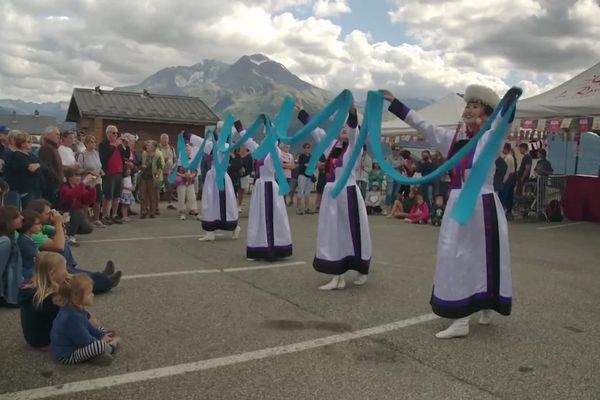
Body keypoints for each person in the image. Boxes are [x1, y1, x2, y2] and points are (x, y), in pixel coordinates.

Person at [383, 84, 513, 339]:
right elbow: (424, 125)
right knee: (455, 256)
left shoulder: (490, 138)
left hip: (482, 205)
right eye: (467, 105)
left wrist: (509, 102)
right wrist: (395, 102)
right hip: (458, 205)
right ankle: (462, 315)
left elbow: (502, 124)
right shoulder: (453, 140)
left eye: (474, 106)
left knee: (483, 256)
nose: (467, 109)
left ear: (486, 113)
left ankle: (485, 304)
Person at [296, 100, 371, 290]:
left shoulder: (356, 147)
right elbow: (316, 131)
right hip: (333, 195)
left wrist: (352, 112)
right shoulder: (332, 146)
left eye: (348, 126)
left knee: (354, 232)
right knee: (334, 233)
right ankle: (338, 275)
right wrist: (303, 112)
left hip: (349, 194)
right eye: (343, 127)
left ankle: (361, 268)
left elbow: (354, 133)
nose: (345, 129)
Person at [26, 199, 121, 293]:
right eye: (48, 213)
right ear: (37, 215)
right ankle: (105, 282)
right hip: (38, 271)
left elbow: (61, 233)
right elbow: (58, 246)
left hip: (51, 265)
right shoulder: (33, 233)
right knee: (71, 275)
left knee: (72, 269)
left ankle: (102, 276)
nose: (51, 215)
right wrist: (58, 223)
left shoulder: (41, 226)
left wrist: (57, 222)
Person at [235, 120, 292, 261]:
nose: (266, 137)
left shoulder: (276, 151)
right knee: (259, 216)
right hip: (260, 186)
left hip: (270, 186)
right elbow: (248, 141)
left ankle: (274, 247)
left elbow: (275, 162)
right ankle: (258, 247)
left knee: (272, 216)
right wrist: (239, 126)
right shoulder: (260, 149)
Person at [50, 274, 120, 365]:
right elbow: (84, 340)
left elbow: (88, 327)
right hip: (68, 354)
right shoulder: (71, 317)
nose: (93, 295)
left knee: (98, 329)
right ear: (76, 298)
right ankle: (111, 347)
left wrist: (101, 335)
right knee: (99, 346)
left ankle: (95, 356)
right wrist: (101, 341)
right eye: (89, 293)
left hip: (76, 345)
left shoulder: (76, 309)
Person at [188, 125, 241, 241]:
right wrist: (189, 136)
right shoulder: (214, 145)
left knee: (225, 203)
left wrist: (190, 136)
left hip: (221, 176)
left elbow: (211, 146)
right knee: (210, 202)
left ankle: (234, 227)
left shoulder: (226, 146)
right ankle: (210, 231)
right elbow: (203, 143)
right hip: (212, 176)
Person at [18, 252, 69, 350]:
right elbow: (66, 318)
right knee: (78, 321)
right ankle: (93, 349)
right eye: (64, 269)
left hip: (34, 338)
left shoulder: (32, 288)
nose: (66, 272)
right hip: (45, 340)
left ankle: (98, 338)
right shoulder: (46, 298)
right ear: (52, 274)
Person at [4, 131, 43, 208]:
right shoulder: (10, 154)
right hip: (20, 188)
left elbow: (43, 165)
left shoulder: (29, 154)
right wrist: (38, 166)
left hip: (34, 187)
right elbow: (29, 168)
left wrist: (38, 165)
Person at [99, 125, 127, 225]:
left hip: (119, 173)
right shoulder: (103, 145)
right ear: (108, 133)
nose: (116, 135)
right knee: (108, 195)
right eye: (113, 133)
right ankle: (105, 215)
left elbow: (126, 155)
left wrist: (125, 145)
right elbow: (104, 158)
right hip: (109, 173)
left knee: (117, 195)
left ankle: (114, 214)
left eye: (116, 133)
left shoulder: (119, 145)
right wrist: (114, 146)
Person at [58, 168, 96, 241]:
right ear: (69, 177)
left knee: (88, 228)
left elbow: (88, 201)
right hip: (63, 214)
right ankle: (69, 236)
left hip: (72, 216)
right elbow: (71, 195)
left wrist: (92, 188)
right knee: (78, 212)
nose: (79, 178)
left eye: (79, 175)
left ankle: (67, 232)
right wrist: (84, 182)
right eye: (76, 175)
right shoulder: (64, 188)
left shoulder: (79, 187)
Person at [77, 135, 105, 227]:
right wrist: (90, 172)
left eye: (94, 141)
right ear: (86, 143)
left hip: (97, 181)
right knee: (87, 202)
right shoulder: (82, 155)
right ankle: (85, 221)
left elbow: (99, 166)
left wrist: (101, 171)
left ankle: (96, 220)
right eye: (91, 142)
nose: (94, 143)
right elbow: (79, 170)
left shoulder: (96, 153)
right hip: (87, 181)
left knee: (98, 200)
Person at [0, 206, 23, 307]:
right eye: (17, 217)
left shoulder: (12, 235)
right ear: (8, 221)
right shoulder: (5, 241)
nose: (22, 218)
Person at [38, 126, 64, 206]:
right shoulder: (46, 148)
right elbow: (46, 167)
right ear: (47, 135)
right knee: (50, 206)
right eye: (56, 134)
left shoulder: (53, 148)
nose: (58, 136)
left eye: (59, 134)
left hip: (55, 184)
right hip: (50, 185)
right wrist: (56, 178)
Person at [138, 141, 164, 219]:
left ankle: (152, 212)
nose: (147, 146)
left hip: (152, 178)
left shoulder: (157, 155)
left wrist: (156, 176)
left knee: (152, 196)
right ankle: (143, 211)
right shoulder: (144, 154)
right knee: (143, 195)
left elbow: (160, 167)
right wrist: (141, 166)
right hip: (143, 177)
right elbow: (140, 163)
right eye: (147, 145)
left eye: (149, 145)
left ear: (153, 147)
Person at [176, 144, 199, 220]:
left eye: (189, 150)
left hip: (190, 181)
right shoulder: (180, 160)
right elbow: (175, 171)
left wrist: (192, 175)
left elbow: (195, 171)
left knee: (192, 196)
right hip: (182, 182)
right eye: (186, 150)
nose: (188, 151)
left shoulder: (192, 159)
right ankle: (182, 212)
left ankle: (194, 210)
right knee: (182, 197)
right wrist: (183, 175)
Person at [159, 133, 177, 210]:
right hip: (160, 172)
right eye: (164, 139)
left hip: (169, 172)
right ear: (161, 140)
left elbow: (175, 159)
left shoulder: (172, 148)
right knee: (157, 189)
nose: (165, 141)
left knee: (170, 189)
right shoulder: (158, 148)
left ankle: (170, 204)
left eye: (166, 139)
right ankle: (156, 206)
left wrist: (174, 165)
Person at [384, 146, 403, 214]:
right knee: (389, 193)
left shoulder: (401, 158)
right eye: (396, 150)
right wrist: (398, 165)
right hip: (390, 177)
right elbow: (389, 167)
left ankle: (392, 208)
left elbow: (402, 166)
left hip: (398, 178)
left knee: (395, 194)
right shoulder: (389, 158)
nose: (397, 151)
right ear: (393, 150)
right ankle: (387, 208)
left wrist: (400, 165)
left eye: (398, 150)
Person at [295, 143, 314, 215]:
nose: (307, 149)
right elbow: (302, 165)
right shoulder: (301, 156)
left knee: (308, 193)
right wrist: (309, 165)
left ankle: (306, 208)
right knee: (300, 191)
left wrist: (309, 165)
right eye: (306, 147)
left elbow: (312, 165)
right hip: (302, 175)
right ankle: (298, 208)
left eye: (308, 147)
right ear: (303, 149)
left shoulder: (311, 156)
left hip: (309, 176)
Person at [499, 143, 517, 217]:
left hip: (507, 179)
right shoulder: (509, 157)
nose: (502, 150)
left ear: (506, 148)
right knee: (507, 196)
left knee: (504, 196)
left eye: (503, 148)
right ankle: (506, 211)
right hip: (509, 179)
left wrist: (503, 181)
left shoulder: (508, 158)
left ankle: (504, 211)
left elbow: (507, 171)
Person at [238, 144, 253, 212]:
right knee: (235, 190)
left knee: (241, 191)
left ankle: (239, 205)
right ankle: (233, 204)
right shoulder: (237, 154)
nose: (243, 147)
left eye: (244, 146)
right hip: (236, 175)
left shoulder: (249, 156)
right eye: (242, 146)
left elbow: (250, 167)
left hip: (245, 175)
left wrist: (246, 173)